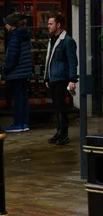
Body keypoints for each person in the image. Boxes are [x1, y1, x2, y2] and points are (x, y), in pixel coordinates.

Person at [44, 13, 78, 145]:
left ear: (58, 25)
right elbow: (49, 60)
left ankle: (63, 133)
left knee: (61, 107)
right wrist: (46, 77)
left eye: (51, 23)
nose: (48, 26)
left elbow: (72, 61)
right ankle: (59, 132)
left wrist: (72, 79)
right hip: (53, 78)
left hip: (61, 79)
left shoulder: (67, 41)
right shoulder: (52, 40)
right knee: (57, 107)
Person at [2, 13, 33, 133]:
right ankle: (24, 122)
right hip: (24, 72)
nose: (5, 26)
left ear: (10, 24)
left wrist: (4, 71)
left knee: (18, 99)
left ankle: (18, 124)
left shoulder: (15, 37)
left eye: (6, 24)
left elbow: (12, 57)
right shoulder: (24, 35)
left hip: (17, 73)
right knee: (23, 99)